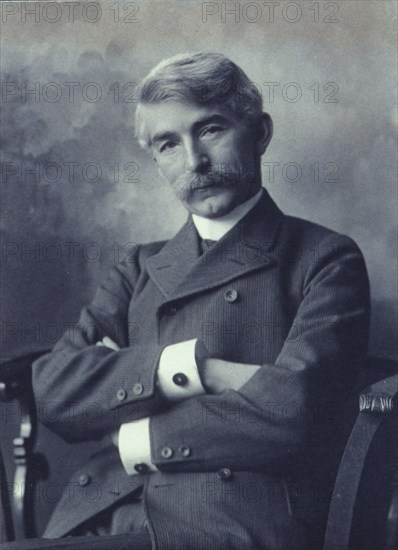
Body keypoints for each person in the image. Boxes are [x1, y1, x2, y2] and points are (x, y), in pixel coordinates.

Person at [30, 52, 369, 550]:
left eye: (210, 130)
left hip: (230, 520)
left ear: (260, 133)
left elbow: (296, 414)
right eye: (169, 144)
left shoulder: (325, 259)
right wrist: (194, 369)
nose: (194, 162)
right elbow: (55, 391)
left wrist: (133, 432)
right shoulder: (138, 267)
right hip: (106, 507)